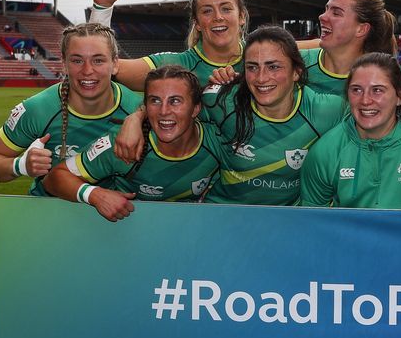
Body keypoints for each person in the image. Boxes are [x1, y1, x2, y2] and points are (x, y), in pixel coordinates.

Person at [116, 26, 348, 205]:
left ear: (297, 72)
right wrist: (135, 118)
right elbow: (173, 106)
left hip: (284, 221)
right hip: (223, 214)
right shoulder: (223, 101)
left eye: (273, 67)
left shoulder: (326, 110)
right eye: (252, 67)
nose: (261, 77)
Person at [0, 23, 142, 196]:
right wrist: (20, 166)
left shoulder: (138, 110)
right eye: (77, 60)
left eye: (98, 60)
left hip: (118, 215)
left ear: (115, 63)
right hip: (51, 213)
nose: (87, 70)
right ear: (64, 63)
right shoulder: (39, 109)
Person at [44, 65, 220, 221]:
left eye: (175, 101)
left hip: (186, 233)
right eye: (155, 100)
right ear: (145, 106)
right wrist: (95, 195)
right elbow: (54, 179)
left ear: (196, 108)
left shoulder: (217, 141)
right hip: (129, 232)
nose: (164, 111)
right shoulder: (123, 144)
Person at [301, 53, 401, 209]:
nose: (365, 100)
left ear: (400, 96)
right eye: (356, 90)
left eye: (377, 90)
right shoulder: (325, 152)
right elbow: (314, 221)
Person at [88, 0, 248, 90]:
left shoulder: (266, 59)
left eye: (226, 9)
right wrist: (102, 8)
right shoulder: (175, 65)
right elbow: (102, 66)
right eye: (207, 11)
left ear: (241, 16)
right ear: (197, 23)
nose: (218, 17)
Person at [301, 0, 396, 95]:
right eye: (326, 9)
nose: (322, 16)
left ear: (361, 29)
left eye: (336, 13)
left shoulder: (379, 80)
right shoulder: (296, 62)